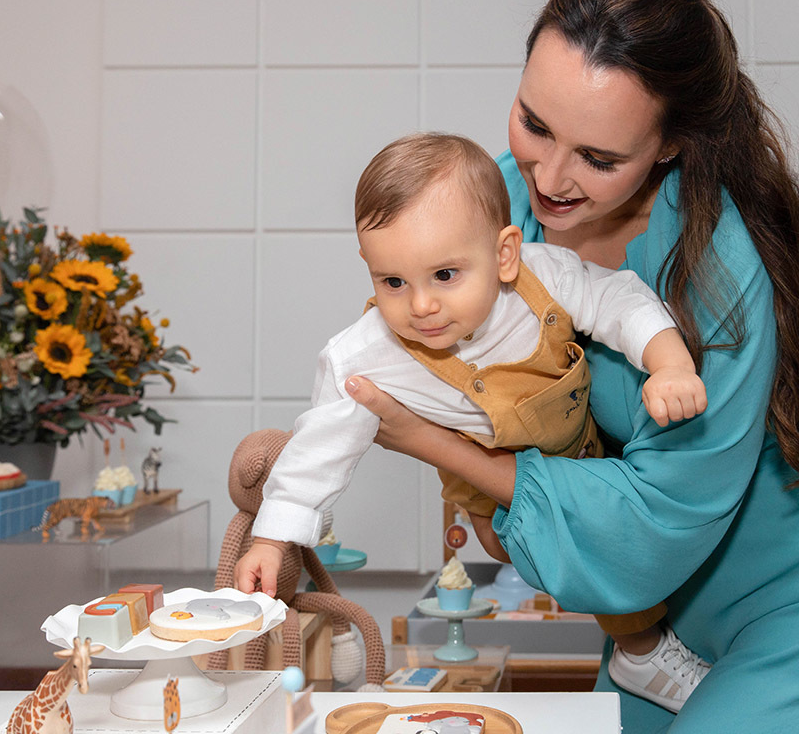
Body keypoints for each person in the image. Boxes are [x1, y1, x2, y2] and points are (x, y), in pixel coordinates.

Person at [340, 0, 799, 732]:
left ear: (670, 146)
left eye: (598, 157)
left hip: (771, 601)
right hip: (650, 624)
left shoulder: (721, 279)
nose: (549, 177)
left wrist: (433, 445)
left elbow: (658, 522)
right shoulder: (500, 200)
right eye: (534, 122)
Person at [235, 131, 708, 710]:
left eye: (445, 276)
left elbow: (618, 301)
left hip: (582, 444)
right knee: (529, 542)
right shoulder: (364, 357)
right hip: (486, 475)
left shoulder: (544, 277)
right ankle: (641, 649)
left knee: (619, 542)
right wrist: (271, 539)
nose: (421, 306)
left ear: (505, 254)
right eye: (392, 282)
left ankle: (640, 644)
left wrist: (669, 365)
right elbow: (318, 449)